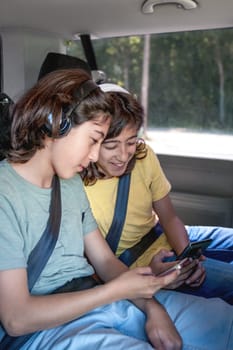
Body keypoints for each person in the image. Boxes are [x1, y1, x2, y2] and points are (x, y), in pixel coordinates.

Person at [0, 68, 186, 350]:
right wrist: (115, 291)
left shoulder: (71, 185)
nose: (95, 156)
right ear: (55, 123)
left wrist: (153, 308)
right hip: (45, 328)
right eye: (94, 139)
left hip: (98, 299)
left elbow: (106, 262)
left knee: (219, 321)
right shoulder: (5, 194)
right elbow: (16, 318)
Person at [82, 83, 233, 305]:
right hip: (134, 263)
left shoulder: (143, 156)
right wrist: (150, 274)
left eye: (131, 142)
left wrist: (187, 256)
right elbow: (95, 266)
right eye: (111, 145)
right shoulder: (76, 183)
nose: (123, 155)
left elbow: (169, 216)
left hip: (161, 234)